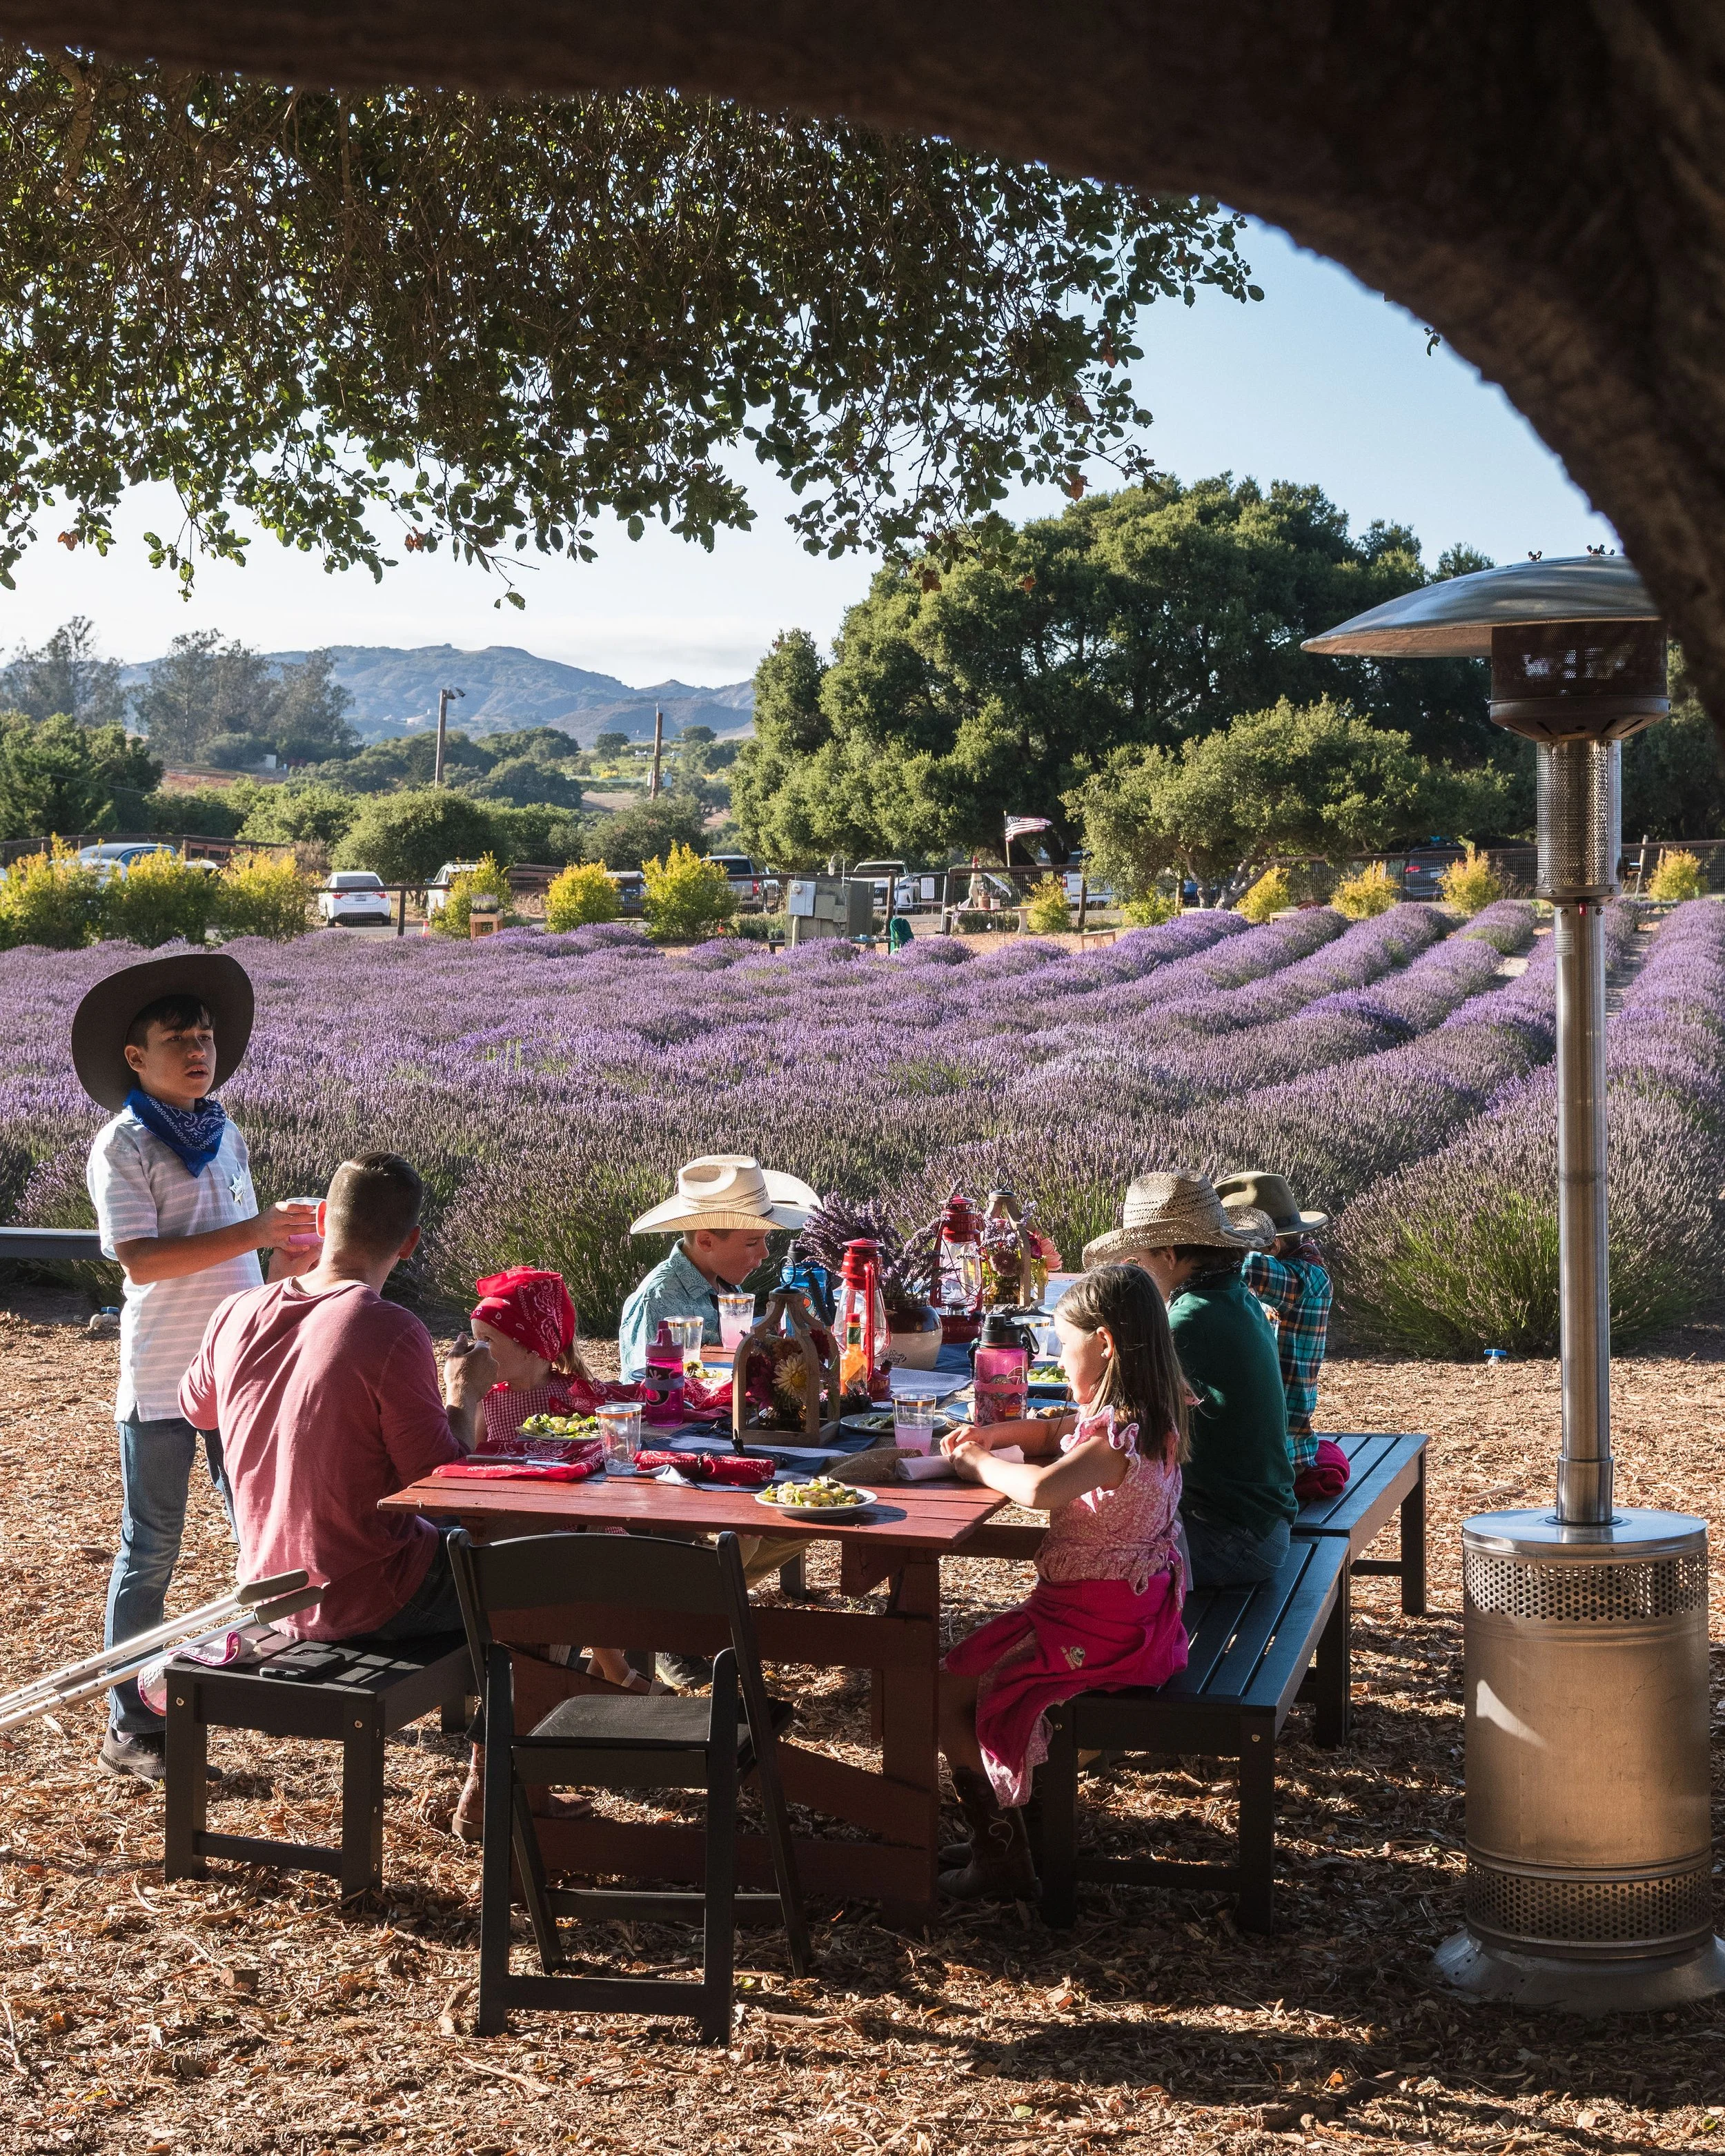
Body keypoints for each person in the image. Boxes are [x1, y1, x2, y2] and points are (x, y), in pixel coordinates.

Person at [76, 952, 320, 1781]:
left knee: (264, 1535)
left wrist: (291, 1259)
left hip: (237, 1373)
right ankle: (128, 1726)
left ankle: (281, 1688)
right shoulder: (124, 1140)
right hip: (161, 1378)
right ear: (135, 1059)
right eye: (177, 1037)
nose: (198, 1048)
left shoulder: (225, 1132)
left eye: (206, 1035)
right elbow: (140, 1261)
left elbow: (240, 1259)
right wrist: (256, 1230)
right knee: (150, 1549)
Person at [935, 1265, 1190, 1900]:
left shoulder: (1114, 1440)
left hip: (1092, 1625)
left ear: (1102, 1342)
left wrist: (977, 1459)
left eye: (1061, 1340)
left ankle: (1001, 1855)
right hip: (1128, 1612)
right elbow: (1052, 1433)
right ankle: (1002, 1833)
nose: (1055, 1352)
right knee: (969, 1671)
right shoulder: (1151, 1416)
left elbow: (1041, 1489)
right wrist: (996, 1431)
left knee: (948, 1684)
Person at [1085, 1171, 1296, 1588]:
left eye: (1140, 1259)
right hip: (1264, 1522)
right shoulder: (1232, 1297)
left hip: (1236, 1541)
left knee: (1094, 1549)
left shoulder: (1189, 1320)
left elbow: (1116, 1417)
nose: (1136, 1268)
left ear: (1167, 1255)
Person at [466, 1265, 652, 1701]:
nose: (477, 1350)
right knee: (576, 1563)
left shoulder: (574, 1394)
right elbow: (472, 1461)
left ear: (533, 1348)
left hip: (578, 1511)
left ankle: (604, 1675)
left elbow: (605, 1452)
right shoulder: (487, 1402)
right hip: (516, 1525)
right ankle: (616, 1675)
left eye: (488, 1341)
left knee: (624, 1561)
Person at [618, 1154, 818, 1378]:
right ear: (706, 1242)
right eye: (752, 1242)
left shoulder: (723, 1281)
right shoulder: (658, 1301)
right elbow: (644, 1388)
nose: (765, 1253)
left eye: (765, 1239)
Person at [1216, 1169, 1348, 1503]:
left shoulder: (1308, 1278)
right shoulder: (1287, 1269)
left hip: (1279, 1456)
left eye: (1231, 1244)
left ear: (1272, 1243)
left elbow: (1246, 1268)